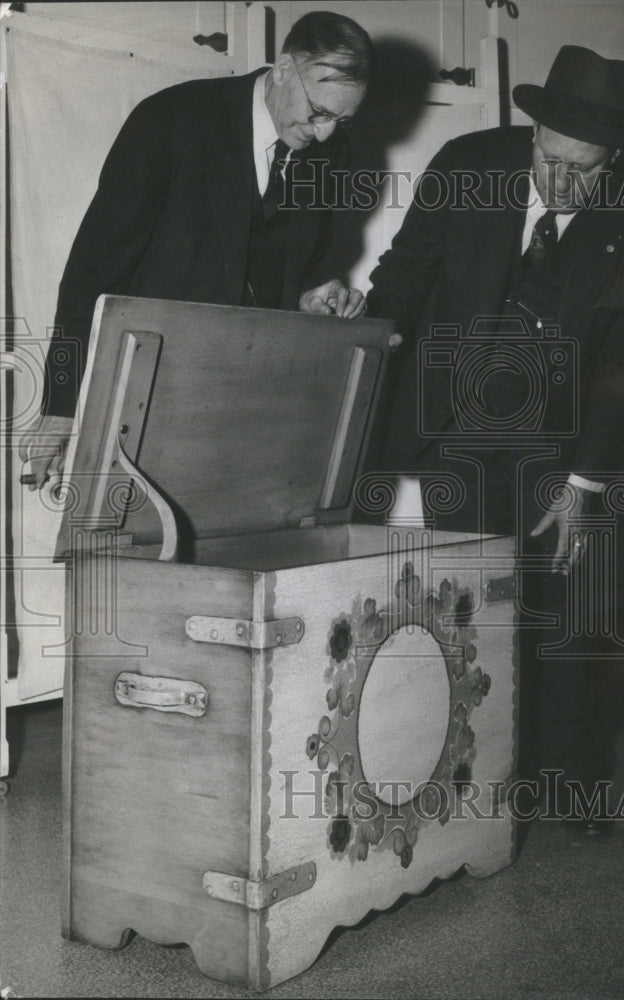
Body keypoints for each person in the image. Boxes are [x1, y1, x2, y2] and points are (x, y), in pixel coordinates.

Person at [366, 45, 624, 829]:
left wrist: (587, 481)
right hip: (455, 427)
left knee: (572, 611)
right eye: (551, 160)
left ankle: (568, 794)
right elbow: (405, 274)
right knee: (463, 609)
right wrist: (367, 347)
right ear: (533, 132)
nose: (563, 183)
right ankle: (460, 787)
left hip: (564, 440)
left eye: (586, 170)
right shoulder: (467, 164)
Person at [20, 10, 372, 487]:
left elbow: (283, 265)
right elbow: (92, 270)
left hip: (254, 400)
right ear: (285, 69)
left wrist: (306, 297)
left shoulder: (330, 152)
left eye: (341, 121)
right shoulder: (172, 118)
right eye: (319, 111)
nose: (325, 132)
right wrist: (61, 406)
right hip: (153, 393)